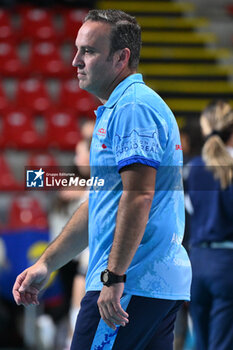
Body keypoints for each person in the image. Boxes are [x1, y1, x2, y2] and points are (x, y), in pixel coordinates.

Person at [12, 9, 192, 350]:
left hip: (129, 284)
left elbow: (139, 195)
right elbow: (98, 203)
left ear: (121, 57)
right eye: (77, 49)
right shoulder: (116, 109)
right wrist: (47, 263)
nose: (75, 61)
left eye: (89, 51)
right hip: (145, 284)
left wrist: (114, 276)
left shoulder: (132, 108)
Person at [186, 100, 233, 350]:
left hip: (198, 261)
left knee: (201, 343)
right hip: (227, 262)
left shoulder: (193, 168)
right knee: (222, 343)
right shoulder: (230, 167)